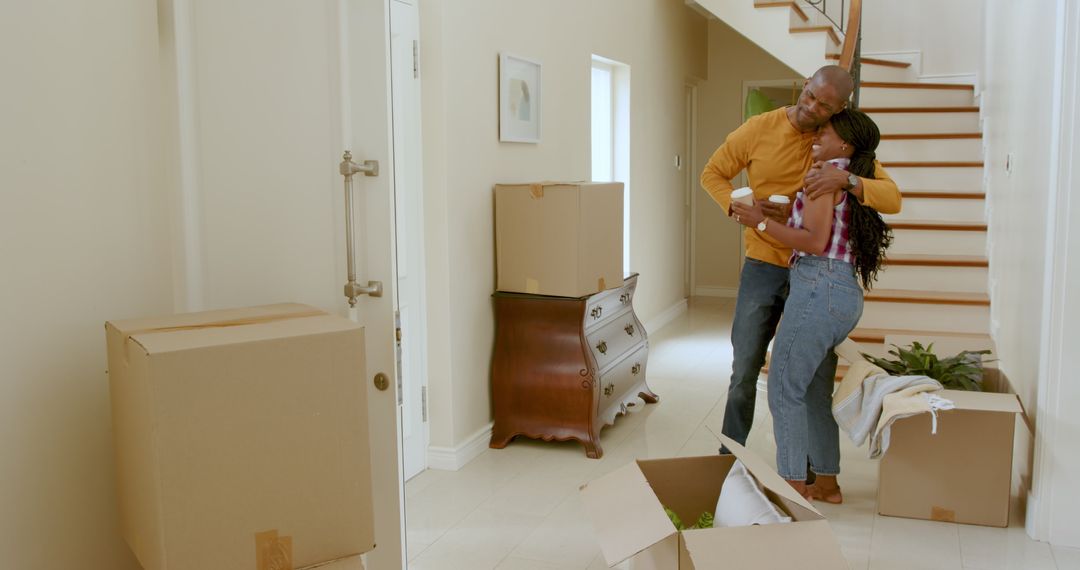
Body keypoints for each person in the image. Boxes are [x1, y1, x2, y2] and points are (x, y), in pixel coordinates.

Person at [699, 65, 901, 454]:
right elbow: (713, 174)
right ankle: (729, 455)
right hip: (763, 264)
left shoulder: (837, 141)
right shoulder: (759, 128)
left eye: (824, 106)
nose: (811, 108)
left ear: (840, 108)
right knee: (744, 369)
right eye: (810, 96)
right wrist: (740, 207)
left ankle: (810, 469)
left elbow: (893, 198)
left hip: (814, 276)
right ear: (805, 84)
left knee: (814, 379)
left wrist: (848, 181)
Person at [731, 109, 894, 502]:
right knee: (813, 392)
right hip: (841, 291)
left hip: (818, 287)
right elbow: (826, 230)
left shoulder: (824, 176)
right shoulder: (851, 177)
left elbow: (815, 242)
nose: (817, 135)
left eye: (826, 131)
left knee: (783, 387)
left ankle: (792, 490)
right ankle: (825, 483)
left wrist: (759, 222)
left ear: (846, 144)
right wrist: (786, 213)